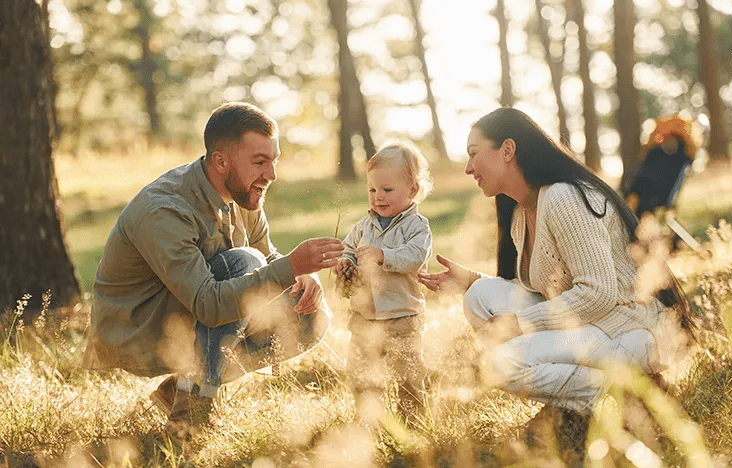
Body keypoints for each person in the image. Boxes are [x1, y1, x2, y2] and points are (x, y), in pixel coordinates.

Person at [83, 102, 344, 431]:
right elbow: (209, 303)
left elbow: (269, 257)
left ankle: (178, 390)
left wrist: (301, 275)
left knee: (311, 316)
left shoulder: (244, 193)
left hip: (195, 314)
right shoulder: (164, 209)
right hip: (140, 329)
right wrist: (290, 265)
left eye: (273, 161)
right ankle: (188, 417)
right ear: (221, 161)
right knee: (243, 261)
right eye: (260, 162)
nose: (272, 175)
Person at [417, 107, 688, 419]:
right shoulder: (522, 211)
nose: (468, 168)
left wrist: (519, 324)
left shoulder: (563, 198)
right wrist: (471, 280)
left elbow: (598, 293)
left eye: (473, 153)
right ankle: (574, 398)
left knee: (499, 365)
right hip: (589, 326)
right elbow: (549, 288)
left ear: (507, 150)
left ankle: (625, 396)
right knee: (479, 297)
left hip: (627, 330)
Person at [333, 142, 433, 424]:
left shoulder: (417, 227)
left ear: (412, 190)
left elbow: (414, 257)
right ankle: (368, 421)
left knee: (408, 374)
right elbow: (348, 248)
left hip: (402, 317)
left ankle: (414, 422)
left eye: (387, 190)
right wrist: (345, 263)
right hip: (365, 315)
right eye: (373, 190)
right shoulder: (363, 226)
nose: (378, 197)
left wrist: (382, 256)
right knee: (362, 372)